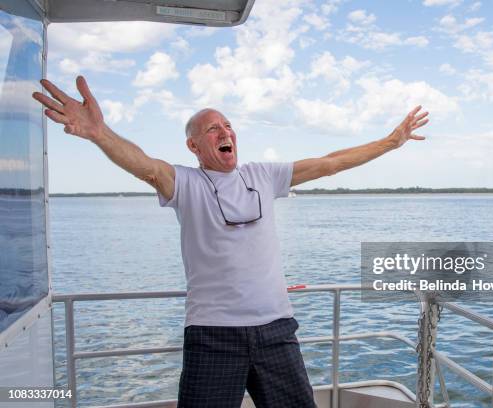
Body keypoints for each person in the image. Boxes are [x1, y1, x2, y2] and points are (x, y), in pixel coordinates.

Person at [32, 76, 429, 408]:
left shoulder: (263, 176)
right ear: (194, 146)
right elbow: (145, 165)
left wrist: (390, 142)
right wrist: (99, 134)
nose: (225, 133)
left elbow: (329, 163)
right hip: (213, 335)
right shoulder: (185, 183)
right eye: (213, 129)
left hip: (276, 332)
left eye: (228, 126)